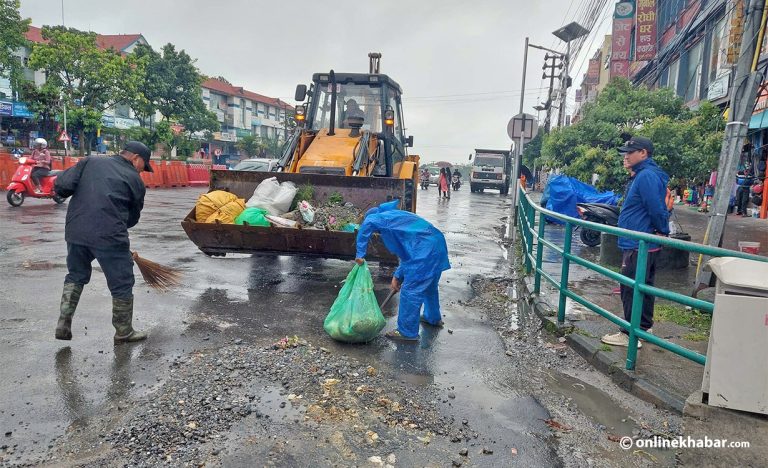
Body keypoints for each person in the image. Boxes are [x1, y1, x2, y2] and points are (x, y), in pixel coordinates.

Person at [53, 141, 152, 344]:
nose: (143, 170)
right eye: (144, 165)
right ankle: (124, 331)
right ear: (135, 158)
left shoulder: (90, 161)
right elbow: (132, 218)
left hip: (76, 232)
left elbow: (62, 187)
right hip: (110, 236)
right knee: (122, 282)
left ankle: (64, 322)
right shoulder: (135, 180)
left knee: (76, 275)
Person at [602, 137, 670, 348]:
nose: (626, 156)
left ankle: (630, 333)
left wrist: (662, 229)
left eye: (630, 152)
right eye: (625, 153)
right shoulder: (643, 175)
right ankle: (644, 327)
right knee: (643, 286)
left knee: (631, 287)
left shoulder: (646, 176)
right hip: (641, 241)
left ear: (644, 153)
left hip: (639, 242)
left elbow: (656, 207)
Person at [354, 200, 450, 342]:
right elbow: (407, 254)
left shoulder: (383, 218)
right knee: (429, 286)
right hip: (437, 246)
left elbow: (368, 222)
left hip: (424, 251)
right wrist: (397, 276)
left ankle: (407, 332)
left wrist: (360, 254)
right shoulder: (399, 218)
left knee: (411, 290)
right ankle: (432, 318)